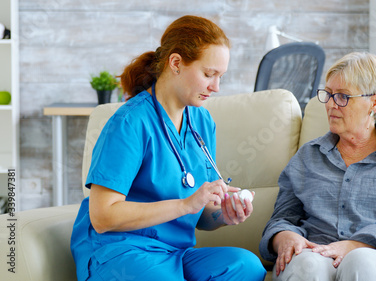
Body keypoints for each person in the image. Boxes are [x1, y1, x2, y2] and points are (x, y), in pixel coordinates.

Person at [71, 15, 266, 281]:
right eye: (209, 74)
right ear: (175, 63)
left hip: (175, 252)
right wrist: (186, 205)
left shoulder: (201, 121)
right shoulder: (130, 123)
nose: (216, 87)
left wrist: (223, 214)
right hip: (121, 251)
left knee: (246, 265)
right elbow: (103, 216)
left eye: (220, 76)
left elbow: (200, 216)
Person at [259, 52, 376, 281]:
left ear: (375, 101)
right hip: (316, 253)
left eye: (342, 96)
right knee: (307, 265)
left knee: (360, 260)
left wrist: (355, 245)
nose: (330, 104)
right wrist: (285, 236)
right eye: (328, 94)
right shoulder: (308, 156)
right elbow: (283, 217)